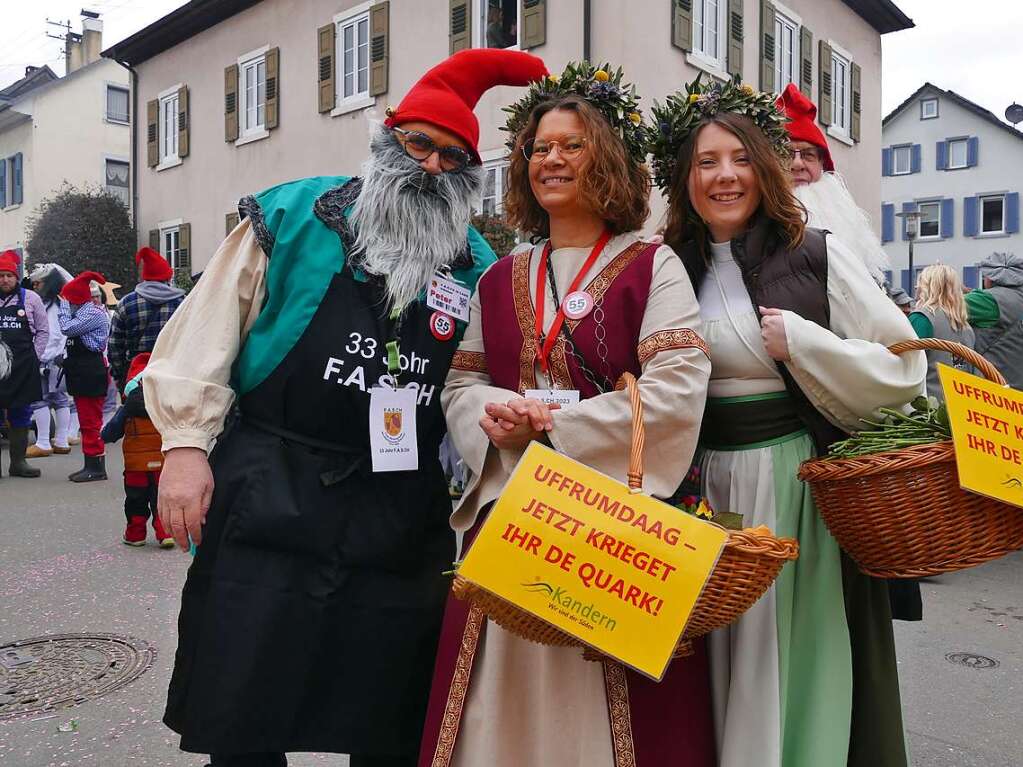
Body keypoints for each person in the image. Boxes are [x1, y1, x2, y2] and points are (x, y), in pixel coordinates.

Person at [146, 48, 546, 767]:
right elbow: (203, 333)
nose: (431, 166)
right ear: (385, 141)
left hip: (397, 509)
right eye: (418, 144)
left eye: (453, 156)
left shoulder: (476, 265)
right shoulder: (294, 214)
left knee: (386, 708)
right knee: (245, 703)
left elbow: (481, 384)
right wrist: (182, 447)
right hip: (271, 484)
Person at [420, 62, 715, 767]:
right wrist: (497, 416)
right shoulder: (497, 278)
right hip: (511, 512)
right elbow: (460, 385)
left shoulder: (653, 265)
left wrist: (552, 427)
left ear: (607, 159)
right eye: (538, 147)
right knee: (499, 700)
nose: (551, 159)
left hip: (611, 524)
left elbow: (677, 387)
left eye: (571, 145)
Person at [650, 77, 926, 767]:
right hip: (699, 492)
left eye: (739, 159)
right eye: (706, 162)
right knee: (707, 660)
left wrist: (807, 343)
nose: (724, 176)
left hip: (791, 489)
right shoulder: (667, 264)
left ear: (764, 168)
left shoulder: (815, 252)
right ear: (684, 179)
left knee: (788, 653)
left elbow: (904, 368)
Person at [777, 83, 890, 285]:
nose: (797, 164)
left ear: (822, 163)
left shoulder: (844, 220)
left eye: (808, 155)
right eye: (786, 154)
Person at [102, 352, 174, 547]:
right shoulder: (165, 407)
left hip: (135, 467)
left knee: (135, 500)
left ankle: (135, 534)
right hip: (162, 465)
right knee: (160, 498)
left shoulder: (127, 410)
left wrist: (104, 436)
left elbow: (109, 433)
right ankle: (164, 532)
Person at [58, 271, 111, 482]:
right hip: (81, 372)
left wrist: (63, 306)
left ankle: (96, 467)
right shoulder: (82, 312)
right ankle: (90, 463)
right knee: (86, 420)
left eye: (68, 300)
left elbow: (67, 329)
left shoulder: (93, 313)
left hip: (90, 372)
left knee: (91, 422)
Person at [107, 246, 184, 392]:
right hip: (172, 374)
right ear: (167, 277)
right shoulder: (182, 303)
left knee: (132, 414)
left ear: (145, 277)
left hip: (136, 375)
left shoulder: (126, 303)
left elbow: (114, 345)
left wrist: (121, 376)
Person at [0, 249, 47, 479]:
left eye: (9, 275)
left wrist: (34, 358)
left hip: (22, 367)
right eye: (1, 275)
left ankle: (18, 463)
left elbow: (43, 331)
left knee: (21, 413)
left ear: (17, 277)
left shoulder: (31, 298)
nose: (5, 279)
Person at [26, 263, 73, 458]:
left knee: (38, 399)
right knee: (61, 400)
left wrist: (40, 357)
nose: (35, 286)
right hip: (59, 358)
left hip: (46, 358)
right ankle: (61, 440)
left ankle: (44, 442)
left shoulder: (49, 306)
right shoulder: (62, 303)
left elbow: (52, 334)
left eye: (38, 283)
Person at [909, 264, 975, 402]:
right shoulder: (965, 326)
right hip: (960, 405)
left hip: (930, 406)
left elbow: (908, 365)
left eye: (920, 283)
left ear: (928, 287)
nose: (917, 288)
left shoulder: (922, 318)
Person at [965, 251, 1023, 388]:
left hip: (994, 390)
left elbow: (946, 306)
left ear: (990, 278)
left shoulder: (986, 301)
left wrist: (947, 286)